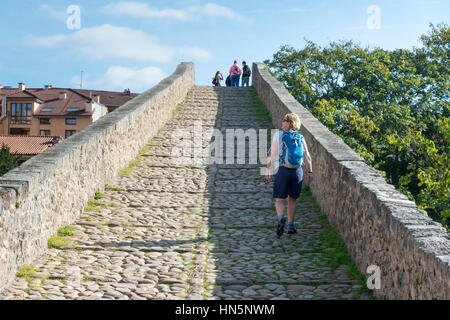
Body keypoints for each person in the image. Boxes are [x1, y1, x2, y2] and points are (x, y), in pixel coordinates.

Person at [266, 113, 313, 237]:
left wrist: (268, 169)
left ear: (290, 123)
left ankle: (281, 217)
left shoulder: (279, 135)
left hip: (283, 170)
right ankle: (291, 226)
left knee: (280, 199)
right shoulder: (300, 137)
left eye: (284, 120)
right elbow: (307, 156)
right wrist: (310, 172)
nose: (282, 122)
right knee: (293, 199)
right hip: (297, 172)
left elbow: (272, 154)